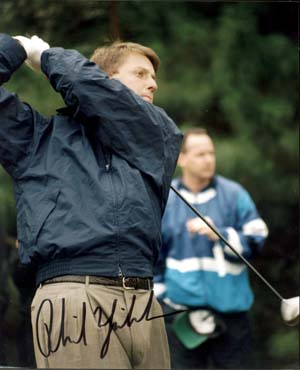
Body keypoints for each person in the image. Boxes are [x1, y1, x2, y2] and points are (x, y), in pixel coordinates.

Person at [0, 33, 183, 369]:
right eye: (140, 74)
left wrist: (49, 57)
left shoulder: (158, 133)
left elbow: (110, 104)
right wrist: (16, 48)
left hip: (144, 302)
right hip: (71, 296)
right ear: (102, 79)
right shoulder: (36, 142)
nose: (153, 84)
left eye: (154, 77)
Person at [154, 128, 268, 369]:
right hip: (180, 318)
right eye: (200, 154)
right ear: (182, 159)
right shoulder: (166, 200)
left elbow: (258, 240)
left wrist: (221, 235)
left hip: (232, 318)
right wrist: (164, 302)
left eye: (211, 153)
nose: (208, 159)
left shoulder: (235, 194)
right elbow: (152, 258)